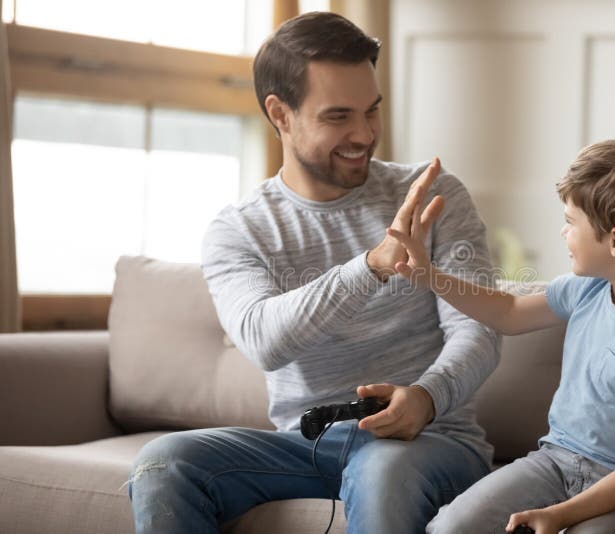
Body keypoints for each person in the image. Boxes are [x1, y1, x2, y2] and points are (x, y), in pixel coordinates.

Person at [127, 11, 500, 534]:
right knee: (165, 462)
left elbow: (479, 327)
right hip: (306, 445)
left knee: (381, 470)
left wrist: (429, 396)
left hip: (429, 442)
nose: (364, 134)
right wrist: (371, 266)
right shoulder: (239, 230)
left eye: (372, 111)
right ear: (280, 114)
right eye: (338, 117)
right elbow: (264, 340)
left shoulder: (433, 196)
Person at [387, 138, 615, 534]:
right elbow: (506, 313)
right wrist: (429, 276)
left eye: (571, 222)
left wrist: (561, 515)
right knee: (450, 526)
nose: (562, 232)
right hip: (556, 461)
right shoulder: (587, 288)